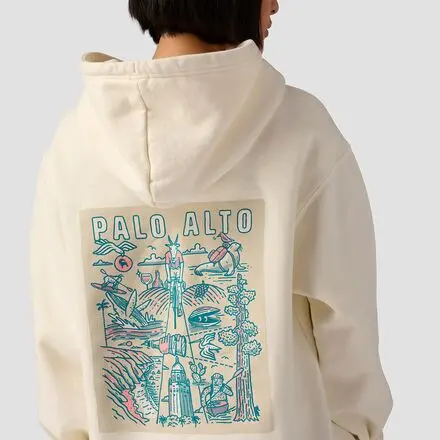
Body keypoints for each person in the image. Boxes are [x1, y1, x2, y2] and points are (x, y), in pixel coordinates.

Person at [29, 1, 392, 439]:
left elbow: (61, 350)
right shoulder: (303, 133)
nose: (276, 4)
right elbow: (348, 332)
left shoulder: (73, 148)